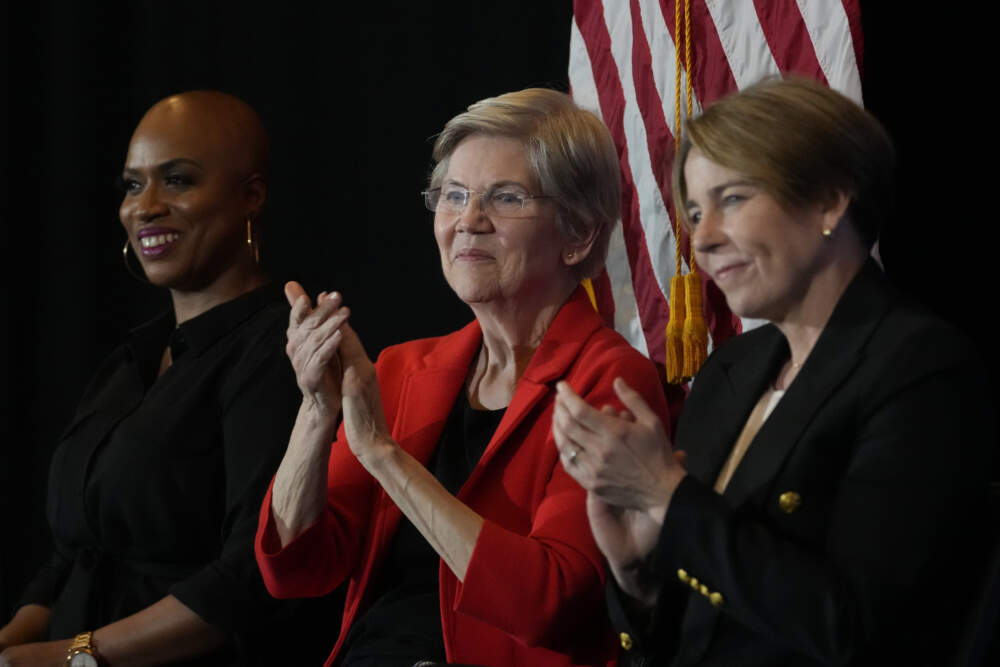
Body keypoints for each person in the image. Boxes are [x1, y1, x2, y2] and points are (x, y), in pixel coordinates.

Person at [552, 77, 996, 666]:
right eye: (692, 211)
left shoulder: (920, 368)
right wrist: (638, 573)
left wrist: (667, 493)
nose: (703, 239)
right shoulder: (727, 373)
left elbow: (851, 626)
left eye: (731, 199)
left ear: (829, 201)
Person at [254, 88, 672, 666]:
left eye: (505, 197)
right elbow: (298, 568)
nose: (468, 221)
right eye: (453, 195)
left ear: (577, 234)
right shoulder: (403, 369)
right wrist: (316, 410)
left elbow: (545, 605)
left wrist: (383, 453)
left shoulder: (609, 381)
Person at [0, 91, 336, 666]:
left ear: (250, 196)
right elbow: (73, 554)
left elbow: (249, 576)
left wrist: (72, 657)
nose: (145, 207)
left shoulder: (279, 351)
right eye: (133, 186)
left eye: (176, 180)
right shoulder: (133, 357)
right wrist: (15, 642)